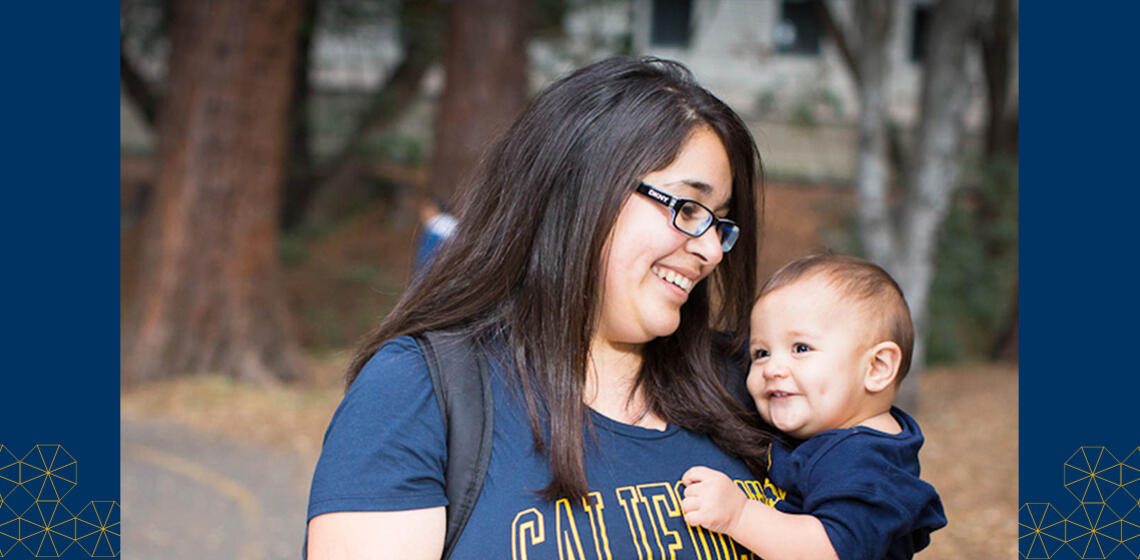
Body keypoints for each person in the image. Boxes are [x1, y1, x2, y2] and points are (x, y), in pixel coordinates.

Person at [305, 56, 777, 559]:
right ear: (579, 189)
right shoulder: (416, 391)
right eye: (686, 208)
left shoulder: (764, 384)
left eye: (719, 224)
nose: (709, 251)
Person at [679, 254, 947, 560]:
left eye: (801, 348)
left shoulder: (865, 463)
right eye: (762, 352)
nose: (772, 368)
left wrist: (739, 516)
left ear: (877, 368)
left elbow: (829, 550)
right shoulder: (839, 433)